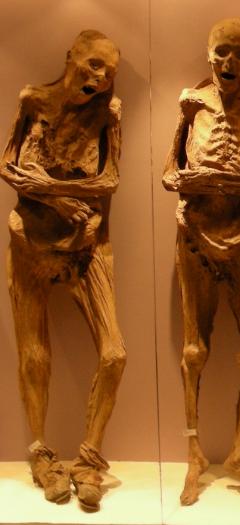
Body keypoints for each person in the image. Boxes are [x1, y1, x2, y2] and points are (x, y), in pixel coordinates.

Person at [1, 30, 125, 511]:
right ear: (71, 56)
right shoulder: (32, 100)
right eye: (94, 65)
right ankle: (41, 455)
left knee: (114, 354)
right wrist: (56, 198)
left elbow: (109, 180)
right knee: (34, 354)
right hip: (28, 242)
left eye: (108, 73)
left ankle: (89, 459)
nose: (100, 78)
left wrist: (50, 189)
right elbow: (8, 167)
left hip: (87, 246)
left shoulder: (109, 113)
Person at [162, 18, 240, 506]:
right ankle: (194, 454)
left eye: (239, 54)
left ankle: (239, 455)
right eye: (221, 53)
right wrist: (200, 182)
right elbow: (170, 174)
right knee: (195, 349)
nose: (229, 63)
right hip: (195, 233)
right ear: (209, 54)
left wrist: (219, 182)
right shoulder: (191, 102)